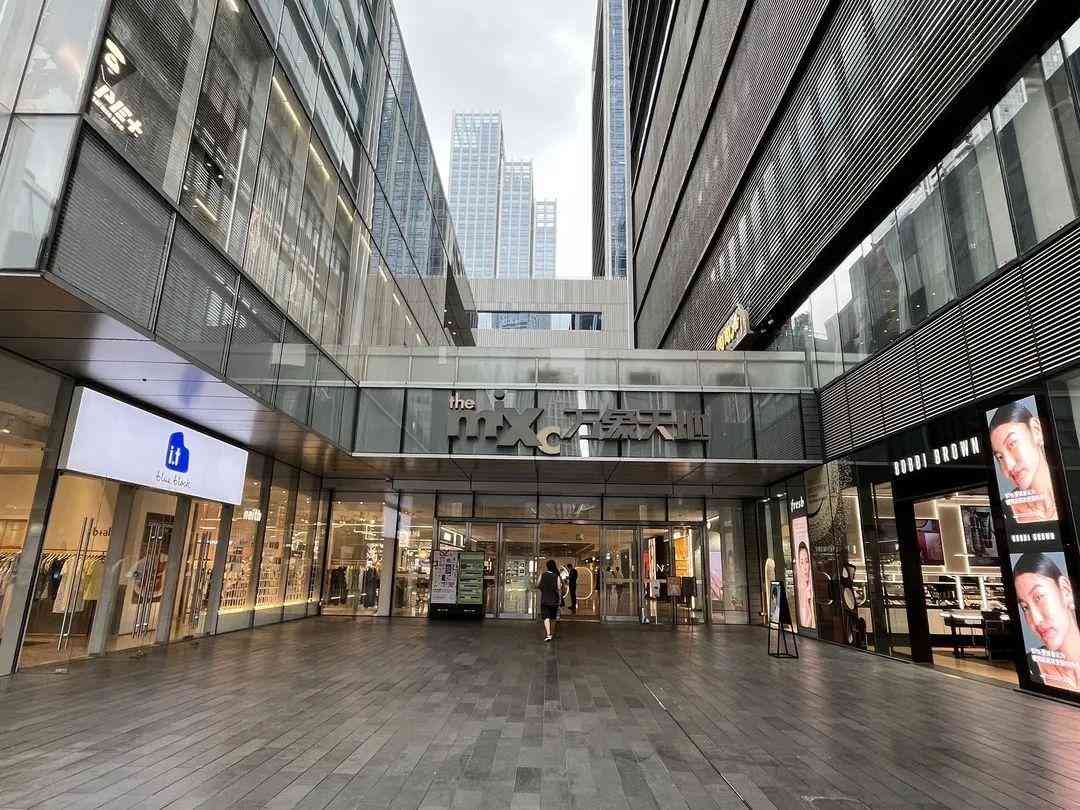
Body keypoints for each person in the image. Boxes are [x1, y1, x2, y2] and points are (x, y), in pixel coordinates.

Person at [1013, 552, 1080, 691]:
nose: (1036, 620)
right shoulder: (1031, 667)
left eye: (1039, 597)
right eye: (1025, 607)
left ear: (1066, 590)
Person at [989, 401, 1059, 523]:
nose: (1008, 466)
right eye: (1000, 457)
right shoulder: (1004, 512)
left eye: (1012, 444)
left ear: (1036, 430)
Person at [536, 559, 560, 642]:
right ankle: (552, 633)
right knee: (553, 618)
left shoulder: (542, 575)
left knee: (546, 617)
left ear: (547, 566)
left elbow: (537, 584)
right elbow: (559, 588)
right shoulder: (556, 576)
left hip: (544, 600)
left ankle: (548, 634)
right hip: (554, 600)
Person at [796, 541, 815, 629]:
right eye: (801, 562)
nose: (804, 567)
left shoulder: (813, 581)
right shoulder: (800, 585)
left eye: (807, 561)